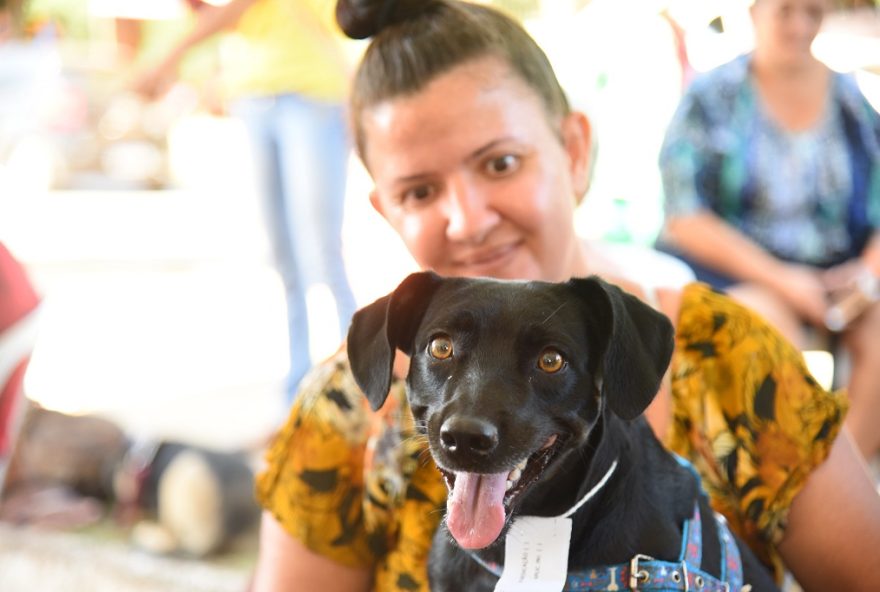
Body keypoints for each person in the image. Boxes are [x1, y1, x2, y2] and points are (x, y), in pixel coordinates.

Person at [249, 1, 880, 591]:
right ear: (384, 210)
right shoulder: (340, 417)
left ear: (575, 151)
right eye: (419, 192)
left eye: (499, 164)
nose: (468, 219)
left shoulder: (733, 362)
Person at [656, 0, 880, 460]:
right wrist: (786, 281)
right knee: (764, 334)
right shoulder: (713, 97)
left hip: (837, 273)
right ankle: (783, 483)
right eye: (786, 12)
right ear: (755, 12)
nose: (800, 26)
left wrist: (867, 274)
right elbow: (684, 216)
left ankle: (841, 481)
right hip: (743, 270)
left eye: (812, 13)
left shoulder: (850, 100)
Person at [134, 0, 358, 402]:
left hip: (313, 95)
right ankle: (296, 399)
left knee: (322, 254)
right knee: (281, 258)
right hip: (255, 97)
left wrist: (166, 59)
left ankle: (360, 387)